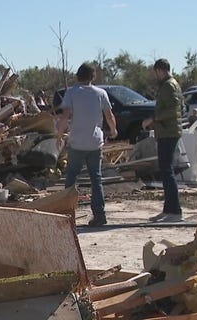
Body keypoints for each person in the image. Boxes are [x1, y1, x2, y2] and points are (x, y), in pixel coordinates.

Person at [57, 63, 118, 226]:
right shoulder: (101, 93)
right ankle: (99, 215)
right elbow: (109, 115)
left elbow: (64, 117)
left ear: (78, 76)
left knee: (71, 178)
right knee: (96, 178)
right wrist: (113, 130)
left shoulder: (72, 93)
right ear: (93, 77)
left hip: (77, 141)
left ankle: (67, 213)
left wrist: (58, 135)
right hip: (94, 142)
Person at [142, 59, 183, 222]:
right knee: (166, 171)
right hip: (167, 131)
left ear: (161, 70)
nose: (155, 75)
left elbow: (173, 110)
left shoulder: (168, 85)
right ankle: (168, 210)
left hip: (169, 132)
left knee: (167, 171)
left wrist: (153, 119)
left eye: (155, 72)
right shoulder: (171, 84)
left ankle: (175, 211)